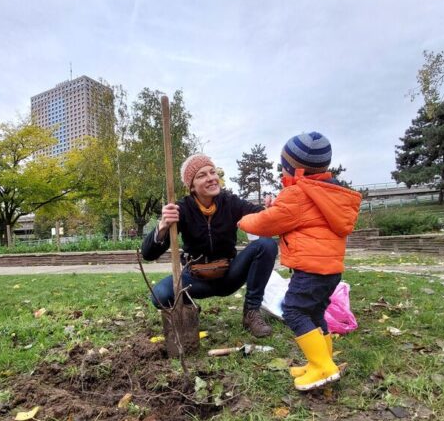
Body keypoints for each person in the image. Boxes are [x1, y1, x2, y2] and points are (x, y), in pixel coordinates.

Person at [239, 132, 361, 391]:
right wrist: (277, 206)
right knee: (315, 312)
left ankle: (323, 368)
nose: (282, 171)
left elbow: (267, 223)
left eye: (283, 166)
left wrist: (242, 220)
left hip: (310, 271)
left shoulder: (297, 194)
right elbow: (297, 216)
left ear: (296, 169)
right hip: (330, 271)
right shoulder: (331, 193)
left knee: (294, 310)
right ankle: (321, 360)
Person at [140, 153, 278, 338]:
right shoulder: (181, 209)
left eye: (213, 172)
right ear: (192, 186)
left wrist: (271, 210)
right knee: (160, 294)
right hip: (196, 279)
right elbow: (148, 254)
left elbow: (262, 216)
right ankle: (190, 309)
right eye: (202, 175)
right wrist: (163, 226)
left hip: (229, 274)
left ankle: (251, 312)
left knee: (266, 245)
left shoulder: (230, 202)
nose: (211, 178)